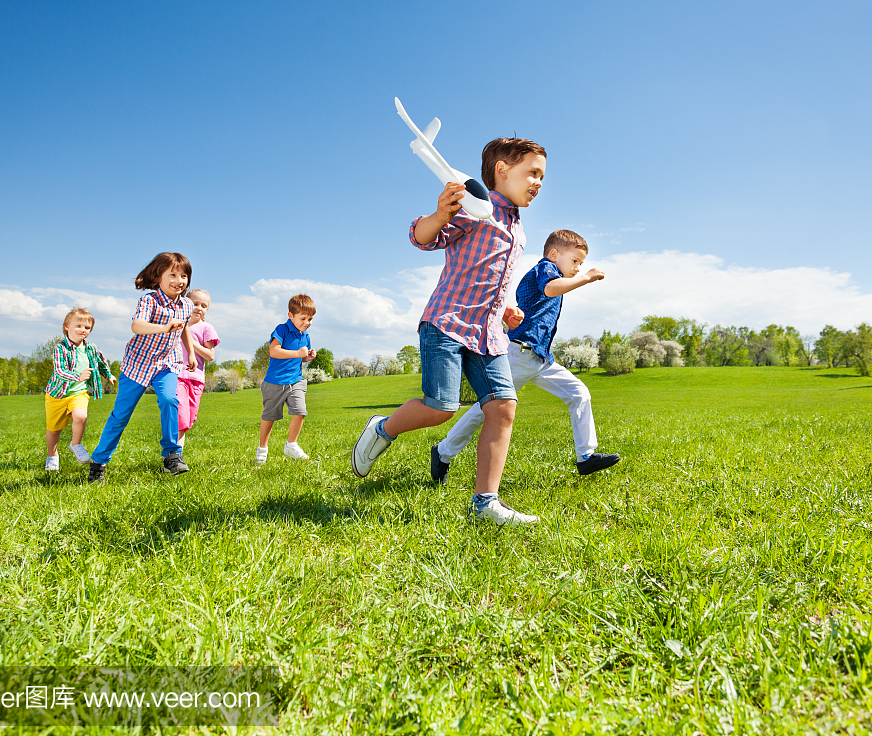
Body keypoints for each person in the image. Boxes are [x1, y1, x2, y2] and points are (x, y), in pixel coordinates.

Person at [351, 138, 545, 525]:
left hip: (488, 332)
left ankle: (485, 503)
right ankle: (383, 428)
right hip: (449, 322)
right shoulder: (474, 207)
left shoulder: (517, 229)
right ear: (503, 171)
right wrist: (439, 215)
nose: (539, 183)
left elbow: (498, 275)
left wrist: (506, 305)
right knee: (440, 407)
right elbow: (421, 237)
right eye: (533, 173)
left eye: (542, 176)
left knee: (503, 407)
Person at [432, 229, 620, 482]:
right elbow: (552, 289)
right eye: (574, 261)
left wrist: (579, 275)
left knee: (579, 393)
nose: (577, 268)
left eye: (581, 264)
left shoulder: (555, 272)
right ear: (554, 254)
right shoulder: (546, 269)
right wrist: (586, 277)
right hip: (520, 353)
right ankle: (443, 452)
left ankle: (586, 457)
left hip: (540, 358)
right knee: (486, 409)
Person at [88, 252, 196, 483]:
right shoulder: (149, 300)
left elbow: (185, 327)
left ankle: (172, 455)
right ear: (158, 277)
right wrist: (165, 327)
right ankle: (98, 462)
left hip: (167, 362)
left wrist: (192, 353)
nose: (180, 280)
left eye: (184, 275)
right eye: (173, 274)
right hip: (138, 363)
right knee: (121, 415)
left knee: (169, 400)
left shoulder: (187, 304)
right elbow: (136, 325)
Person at [43, 308, 116, 471]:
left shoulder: (91, 349)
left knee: (81, 415)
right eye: (78, 326)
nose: (82, 330)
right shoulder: (60, 348)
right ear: (66, 327)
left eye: (87, 327)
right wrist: (78, 376)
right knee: (54, 429)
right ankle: (52, 456)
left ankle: (75, 443)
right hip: (57, 394)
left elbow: (102, 363)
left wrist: (108, 374)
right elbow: (59, 370)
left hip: (79, 393)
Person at [256, 294, 316, 464]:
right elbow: (274, 351)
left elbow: (298, 357)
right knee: (269, 417)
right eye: (303, 318)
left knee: (300, 411)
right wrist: (298, 353)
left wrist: (306, 358)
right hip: (274, 382)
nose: (307, 322)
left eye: (310, 318)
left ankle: (291, 445)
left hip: (295, 380)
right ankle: (262, 449)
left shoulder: (305, 336)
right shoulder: (282, 329)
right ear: (291, 315)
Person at [177, 289, 219, 449]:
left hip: (196, 379)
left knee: (188, 419)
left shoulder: (206, 328)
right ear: (186, 303)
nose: (199, 308)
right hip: (177, 376)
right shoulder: (178, 324)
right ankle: (174, 455)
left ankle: (175, 453)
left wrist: (191, 342)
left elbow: (210, 355)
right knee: (181, 415)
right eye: (195, 303)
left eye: (204, 305)